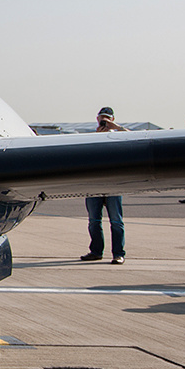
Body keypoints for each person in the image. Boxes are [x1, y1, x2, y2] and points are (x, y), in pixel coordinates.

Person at [82, 106, 126, 264]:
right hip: (95, 184)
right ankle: (96, 251)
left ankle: (118, 253)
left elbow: (136, 138)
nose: (104, 121)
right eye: (102, 118)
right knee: (94, 220)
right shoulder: (92, 137)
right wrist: (97, 137)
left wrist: (117, 129)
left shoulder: (120, 136)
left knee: (116, 220)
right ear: (97, 119)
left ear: (113, 120)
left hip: (113, 183)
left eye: (107, 119)